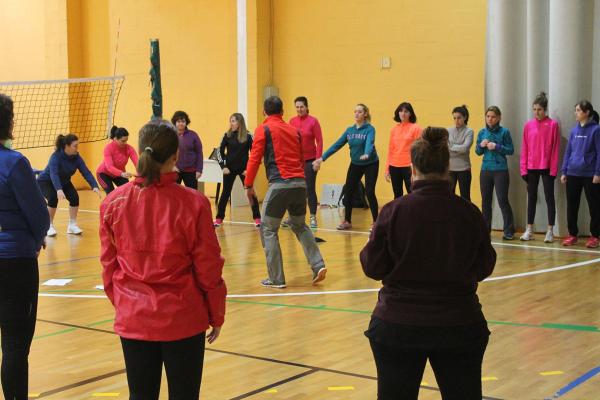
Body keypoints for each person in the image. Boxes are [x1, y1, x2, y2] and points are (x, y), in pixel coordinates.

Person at [361, 127, 496, 400]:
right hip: (459, 323)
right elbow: (484, 267)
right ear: (447, 168)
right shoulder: (469, 213)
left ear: (412, 169)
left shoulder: (393, 211)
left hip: (397, 324)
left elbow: (372, 267)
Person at [100, 119, 226, 399]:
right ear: (175, 156)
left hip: (134, 318)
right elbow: (209, 267)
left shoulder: (113, 203)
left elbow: (108, 267)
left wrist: (125, 304)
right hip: (182, 318)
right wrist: (216, 312)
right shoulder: (194, 203)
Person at [244, 96, 326, 288]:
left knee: (268, 229)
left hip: (280, 186)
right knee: (300, 225)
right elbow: (300, 158)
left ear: (264, 112)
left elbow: (254, 159)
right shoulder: (295, 131)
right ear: (282, 112)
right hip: (300, 184)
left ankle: (276, 278)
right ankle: (318, 265)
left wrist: (248, 186)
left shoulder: (263, 129)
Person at [0, 93, 50, 400]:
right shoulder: (14, 163)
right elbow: (39, 215)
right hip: (13, 262)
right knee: (15, 345)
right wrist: (32, 241)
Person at [313, 103, 379, 230]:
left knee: (370, 192)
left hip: (371, 164)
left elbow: (369, 142)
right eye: (355, 111)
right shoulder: (350, 130)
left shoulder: (370, 129)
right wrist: (322, 158)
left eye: (359, 111)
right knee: (348, 191)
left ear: (365, 114)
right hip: (356, 164)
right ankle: (347, 221)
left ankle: (376, 222)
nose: (356, 114)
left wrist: (366, 153)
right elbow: (337, 145)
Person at [37, 133, 101, 236]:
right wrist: (59, 189)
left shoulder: (76, 157)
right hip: (46, 181)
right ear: (66, 146)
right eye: (75, 146)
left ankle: (72, 225)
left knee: (74, 197)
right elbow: (54, 174)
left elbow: (85, 171)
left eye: (77, 145)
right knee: (53, 198)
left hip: (64, 181)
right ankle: (48, 226)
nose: (77, 148)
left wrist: (94, 185)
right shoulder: (55, 157)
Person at [519, 92, 560, 243]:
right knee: (532, 198)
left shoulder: (553, 125)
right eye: (534, 109)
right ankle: (529, 229)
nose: (537, 112)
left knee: (550, 198)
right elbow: (525, 148)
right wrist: (523, 169)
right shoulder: (528, 125)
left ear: (545, 109)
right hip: (531, 167)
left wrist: (554, 169)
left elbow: (555, 149)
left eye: (540, 109)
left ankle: (550, 230)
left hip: (547, 168)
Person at [560, 101, 600, 247]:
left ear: (587, 112)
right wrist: (564, 171)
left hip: (590, 174)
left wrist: (597, 172)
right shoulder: (573, 131)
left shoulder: (596, 130)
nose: (575, 113)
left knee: (594, 205)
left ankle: (595, 236)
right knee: (572, 205)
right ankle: (572, 234)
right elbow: (568, 152)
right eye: (575, 110)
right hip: (573, 173)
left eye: (578, 110)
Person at [475, 106, 515, 240]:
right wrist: (481, 146)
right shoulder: (482, 132)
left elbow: (510, 150)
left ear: (498, 118)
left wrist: (497, 146)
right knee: (486, 201)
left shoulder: (504, 132)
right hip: (485, 170)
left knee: (502, 199)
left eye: (492, 117)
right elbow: (478, 152)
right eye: (488, 116)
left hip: (500, 170)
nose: (490, 119)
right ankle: (485, 230)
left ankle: (508, 231)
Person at [214, 113, 261, 227]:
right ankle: (219, 218)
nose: (231, 123)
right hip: (229, 169)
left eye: (234, 121)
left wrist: (248, 170)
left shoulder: (248, 136)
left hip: (244, 170)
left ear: (240, 122)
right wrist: (223, 167)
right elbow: (219, 152)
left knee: (250, 192)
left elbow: (255, 153)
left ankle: (257, 218)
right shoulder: (227, 135)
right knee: (225, 193)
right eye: (231, 121)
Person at [286, 96, 324, 228]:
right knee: (293, 188)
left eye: (301, 106)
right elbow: (289, 141)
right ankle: (292, 217)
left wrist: (318, 160)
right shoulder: (292, 121)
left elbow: (319, 141)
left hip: (310, 161)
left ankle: (313, 217)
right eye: (297, 107)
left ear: (307, 107)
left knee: (309, 188)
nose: (299, 109)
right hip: (296, 161)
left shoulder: (313, 121)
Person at [385, 102, 421, 198]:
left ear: (410, 114)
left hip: (409, 166)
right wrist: (387, 169)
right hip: (394, 166)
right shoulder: (394, 129)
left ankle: (414, 213)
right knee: (397, 195)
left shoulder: (416, 128)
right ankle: (399, 213)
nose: (403, 113)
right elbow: (391, 150)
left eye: (406, 111)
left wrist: (416, 169)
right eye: (401, 111)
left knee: (413, 194)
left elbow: (420, 150)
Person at [96, 126, 138, 194]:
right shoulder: (108, 148)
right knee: (111, 194)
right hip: (104, 174)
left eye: (126, 140)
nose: (125, 143)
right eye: (123, 141)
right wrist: (122, 174)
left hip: (119, 174)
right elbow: (109, 167)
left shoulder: (129, 149)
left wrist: (141, 172)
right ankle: (107, 204)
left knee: (128, 192)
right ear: (115, 139)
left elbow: (137, 163)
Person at [448, 105, 474, 201]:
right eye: (454, 118)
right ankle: (451, 216)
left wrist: (452, 147)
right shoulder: (448, 131)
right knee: (449, 197)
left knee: (465, 197)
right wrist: (458, 147)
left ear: (465, 117)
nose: (456, 120)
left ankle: (467, 216)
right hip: (450, 169)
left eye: (459, 118)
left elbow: (465, 148)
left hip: (464, 168)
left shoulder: (469, 131)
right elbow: (446, 148)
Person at [172, 111, 203, 189]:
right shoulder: (170, 135)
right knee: (173, 196)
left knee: (192, 196)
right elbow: (166, 152)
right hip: (175, 171)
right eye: (178, 121)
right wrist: (172, 166)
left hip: (191, 171)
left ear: (186, 122)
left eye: (183, 121)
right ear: (175, 123)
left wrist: (199, 170)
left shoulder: (193, 135)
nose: (181, 123)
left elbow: (199, 153)